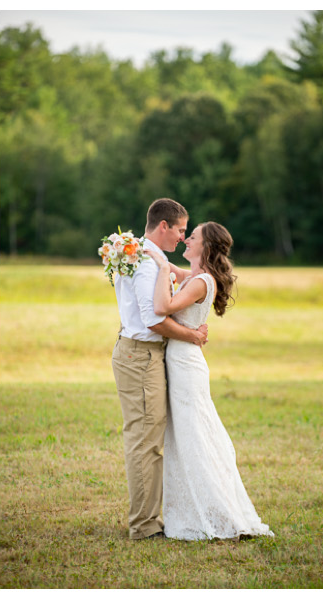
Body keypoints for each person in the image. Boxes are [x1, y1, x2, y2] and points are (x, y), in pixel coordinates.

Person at [144, 222, 273, 540]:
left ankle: (213, 514)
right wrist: (147, 251)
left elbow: (162, 307)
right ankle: (200, 509)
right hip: (185, 361)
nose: (187, 239)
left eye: (193, 236)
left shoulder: (201, 281)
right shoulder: (198, 277)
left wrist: (161, 268)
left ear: (207, 247)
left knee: (194, 439)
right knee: (190, 437)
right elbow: (173, 267)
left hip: (186, 366)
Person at [110, 198, 208, 540]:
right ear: (163, 226)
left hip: (144, 355)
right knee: (145, 442)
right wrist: (193, 335)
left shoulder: (145, 255)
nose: (183, 237)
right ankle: (144, 524)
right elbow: (153, 321)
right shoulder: (147, 263)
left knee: (149, 439)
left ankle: (150, 518)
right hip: (141, 356)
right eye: (181, 230)